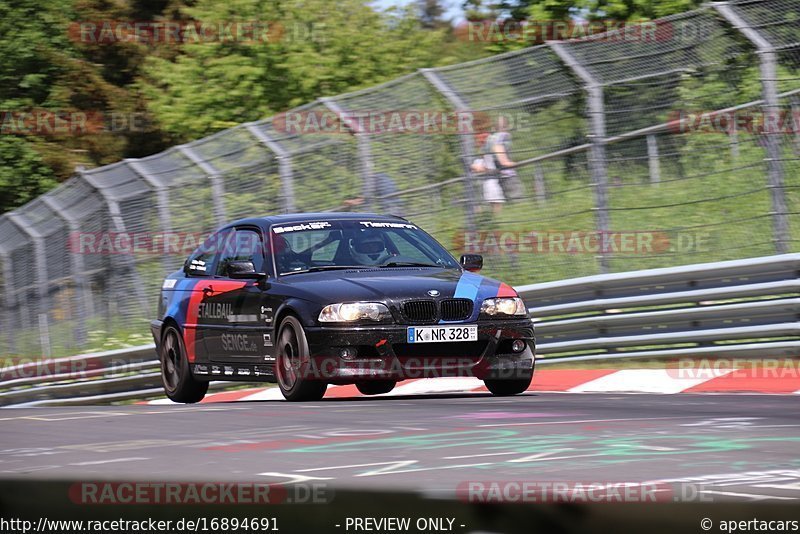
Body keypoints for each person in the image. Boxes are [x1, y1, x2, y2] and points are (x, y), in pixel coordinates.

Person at [484, 116, 525, 203]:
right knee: (518, 202)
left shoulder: (489, 138)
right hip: (507, 175)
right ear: (506, 126)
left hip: (495, 176)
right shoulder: (502, 136)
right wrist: (512, 164)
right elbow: (501, 157)